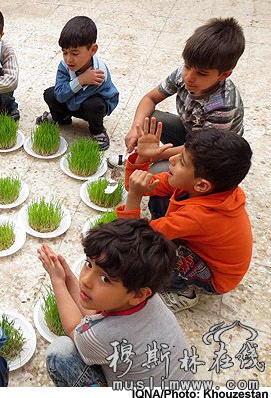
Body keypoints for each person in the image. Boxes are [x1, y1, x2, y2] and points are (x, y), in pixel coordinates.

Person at [117, 117, 252, 311]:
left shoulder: (199, 216)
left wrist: (135, 197)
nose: (171, 159)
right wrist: (143, 158)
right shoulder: (205, 189)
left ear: (202, 185)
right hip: (201, 243)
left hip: (214, 276)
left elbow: (130, 239)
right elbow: (135, 184)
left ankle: (183, 292)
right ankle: (165, 232)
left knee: (146, 257)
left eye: (181, 161)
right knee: (161, 194)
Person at [40, 219, 194, 387]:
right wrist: (67, 275)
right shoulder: (147, 297)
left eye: (105, 279)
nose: (85, 280)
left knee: (60, 353)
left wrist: (57, 281)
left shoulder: (104, 335)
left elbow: (74, 330)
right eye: (88, 264)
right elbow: (95, 313)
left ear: (138, 294)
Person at [109, 17, 245, 168]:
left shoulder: (224, 106)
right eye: (187, 66)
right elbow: (150, 99)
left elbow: (199, 149)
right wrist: (136, 127)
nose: (189, 77)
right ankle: (143, 155)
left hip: (210, 151)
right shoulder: (182, 74)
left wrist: (153, 154)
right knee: (151, 119)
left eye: (201, 73)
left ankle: (147, 159)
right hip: (192, 133)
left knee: (156, 171)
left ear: (224, 75)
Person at [36, 16, 118, 151]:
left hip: (90, 106)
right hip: (72, 100)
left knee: (94, 105)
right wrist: (81, 80)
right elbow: (60, 95)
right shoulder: (64, 65)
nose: (69, 59)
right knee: (50, 94)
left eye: (75, 53)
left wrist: (70, 89)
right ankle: (61, 118)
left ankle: (98, 130)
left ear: (92, 50)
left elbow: (73, 104)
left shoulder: (98, 72)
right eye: (65, 52)